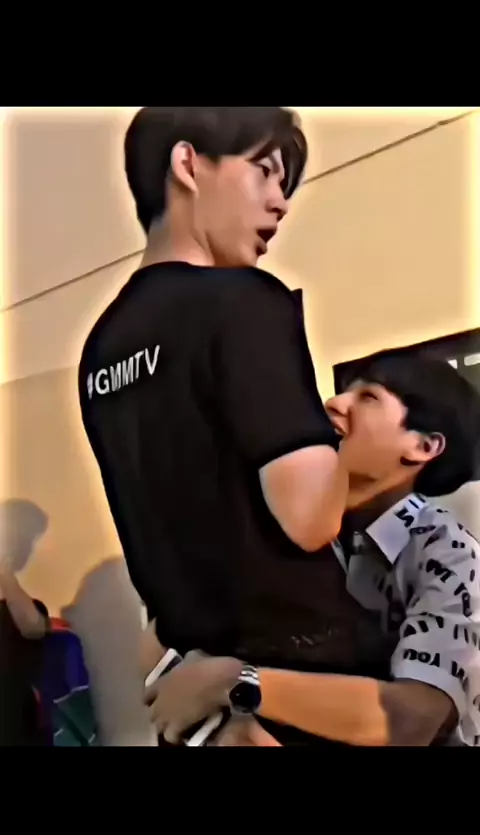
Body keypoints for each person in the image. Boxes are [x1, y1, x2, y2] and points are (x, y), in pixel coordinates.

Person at [79, 107, 390, 748]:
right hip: (293, 692)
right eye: (263, 171)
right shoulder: (243, 301)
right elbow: (309, 519)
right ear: (188, 164)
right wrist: (348, 440)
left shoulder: (101, 350)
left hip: (197, 709)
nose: (280, 201)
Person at [144, 353, 480, 747]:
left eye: (369, 397)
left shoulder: (449, 556)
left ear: (423, 446)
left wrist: (238, 684)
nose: (334, 403)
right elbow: (161, 642)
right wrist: (223, 725)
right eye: (344, 391)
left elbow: (410, 720)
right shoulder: (278, 525)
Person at [0, 500, 50, 746]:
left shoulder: (30, 607)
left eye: (30, 540)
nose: (26, 548)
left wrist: (4, 571)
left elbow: (33, 628)